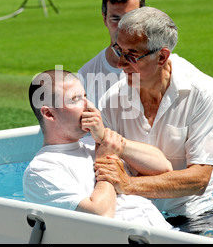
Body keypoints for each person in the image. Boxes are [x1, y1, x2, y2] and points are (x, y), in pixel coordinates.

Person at [77, 0, 213, 170]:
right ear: (104, 19)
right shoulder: (88, 74)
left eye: (130, 16)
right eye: (116, 18)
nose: (123, 24)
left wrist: (211, 137)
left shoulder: (169, 66)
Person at [95, 7, 213, 233]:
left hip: (192, 216)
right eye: (119, 51)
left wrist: (128, 184)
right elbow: (106, 166)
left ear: (162, 57)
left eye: (132, 55)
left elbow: (199, 179)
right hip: (133, 214)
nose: (120, 64)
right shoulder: (111, 100)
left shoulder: (202, 92)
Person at [23, 69, 174, 229]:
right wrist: (106, 161)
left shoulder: (96, 143)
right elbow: (101, 217)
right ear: (49, 113)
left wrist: (105, 138)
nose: (90, 106)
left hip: (170, 234)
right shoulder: (41, 170)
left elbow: (164, 168)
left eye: (85, 97)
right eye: (75, 99)